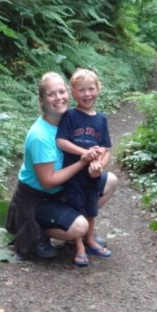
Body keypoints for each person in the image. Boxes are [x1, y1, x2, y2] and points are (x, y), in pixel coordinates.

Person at [6, 72, 117, 261]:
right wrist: (83, 161)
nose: (58, 98)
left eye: (61, 91)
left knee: (111, 181)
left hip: (63, 190)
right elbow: (48, 182)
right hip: (37, 199)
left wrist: (97, 163)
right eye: (51, 94)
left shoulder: (70, 120)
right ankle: (39, 232)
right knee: (79, 226)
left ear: (69, 93)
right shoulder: (40, 136)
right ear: (42, 99)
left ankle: (72, 228)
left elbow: (104, 147)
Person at [56, 68, 113, 267]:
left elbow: (106, 148)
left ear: (99, 89)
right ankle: (78, 245)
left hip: (92, 176)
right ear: (73, 92)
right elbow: (61, 141)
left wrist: (99, 164)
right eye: (81, 90)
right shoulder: (70, 116)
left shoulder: (101, 119)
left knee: (91, 207)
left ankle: (89, 239)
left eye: (91, 89)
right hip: (73, 174)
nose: (87, 94)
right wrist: (84, 153)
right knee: (77, 207)